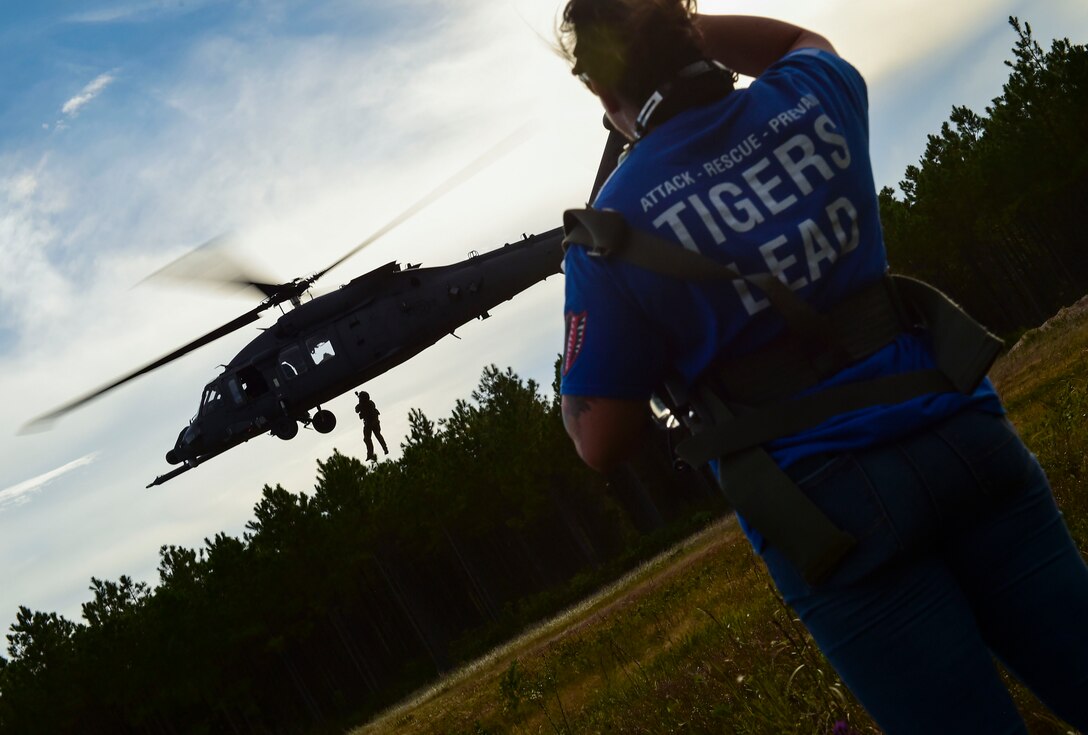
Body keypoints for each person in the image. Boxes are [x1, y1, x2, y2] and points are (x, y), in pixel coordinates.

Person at [556, 2, 1088, 732]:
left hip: (826, 509)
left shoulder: (606, 234)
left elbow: (601, 439)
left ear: (598, 87)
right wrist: (678, 27)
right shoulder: (811, 95)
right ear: (686, 30)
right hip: (961, 428)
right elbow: (798, 40)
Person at [355, 390, 388, 462]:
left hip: (373, 422)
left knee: (377, 436)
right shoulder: (362, 404)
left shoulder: (370, 403)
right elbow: (356, 410)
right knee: (367, 439)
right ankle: (370, 453)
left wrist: (361, 405)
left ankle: (384, 449)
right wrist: (360, 405)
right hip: (368, 423)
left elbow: (372, 411)